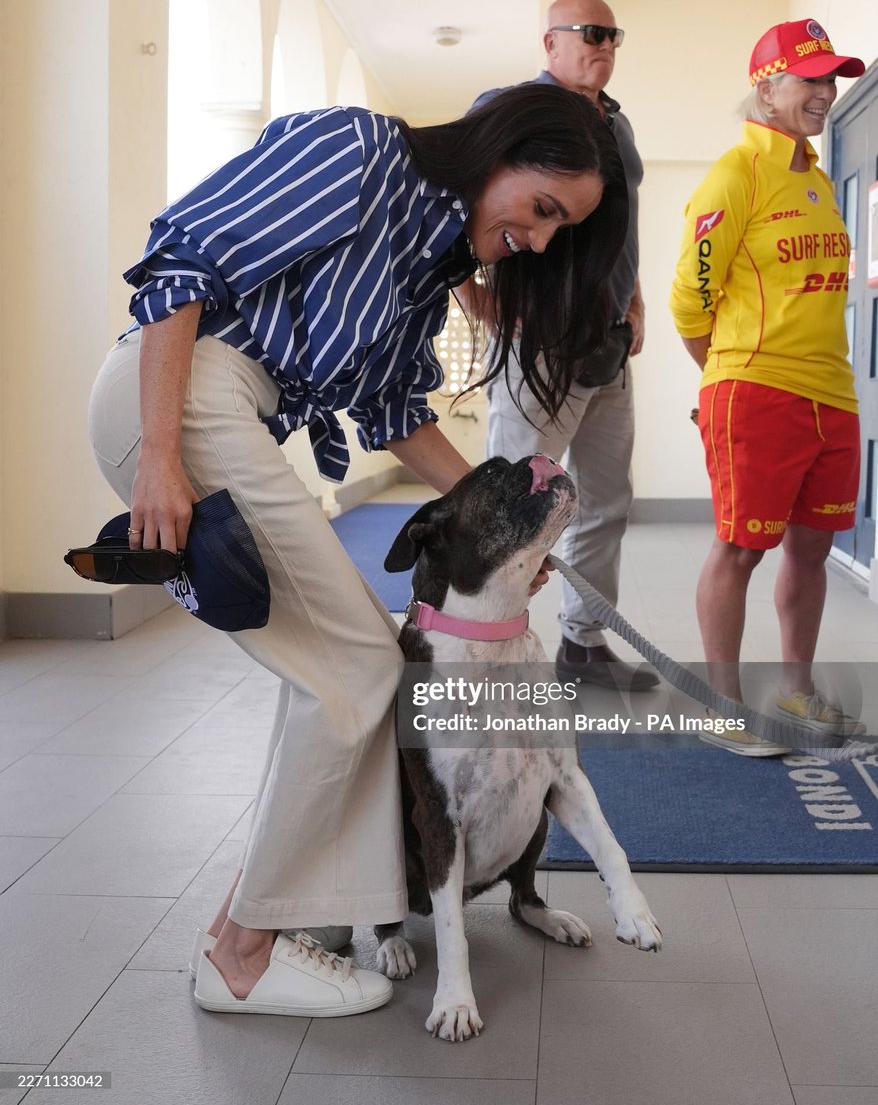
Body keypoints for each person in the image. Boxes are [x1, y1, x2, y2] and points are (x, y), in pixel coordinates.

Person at [87, 84, 629, 1016]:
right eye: (543, 208)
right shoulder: (361, 154)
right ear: (501, 149)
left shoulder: (427, 263)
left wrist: (511, 522)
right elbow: (182, 266)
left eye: (560, 229)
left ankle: (265, 920)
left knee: (341, 667)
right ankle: (242, 957)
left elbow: (392, 415)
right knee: (361, 664)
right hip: (183, 396)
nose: (540, 240)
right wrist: (161, 457)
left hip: (227, 412)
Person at [669, 19, 865, 756]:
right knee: (740, 549)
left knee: (811, 550)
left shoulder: (815, 177)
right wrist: (727, 381)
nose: (824, 92)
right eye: (808, 79)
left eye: (831, 79)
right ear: (767, 86)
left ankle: (797, 690)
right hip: (758, 392)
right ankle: (722, 706)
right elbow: (691, 300)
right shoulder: (736, 173)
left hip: (833, 395)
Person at [472, 0, 659, 693]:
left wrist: (633, 298)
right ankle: (485, 657)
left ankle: (582, 646)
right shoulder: (513, 107)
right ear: (549, 42)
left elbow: (624, 227)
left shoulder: (619, 124)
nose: (604, 44)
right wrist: (476, 300)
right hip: (539, 346)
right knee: (515, 507)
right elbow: (457, 197)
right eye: (589, 32)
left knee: (607, 502)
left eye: (613, 33)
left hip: (608, 347)